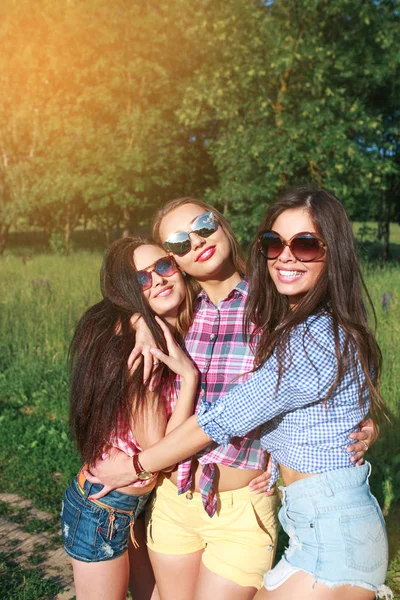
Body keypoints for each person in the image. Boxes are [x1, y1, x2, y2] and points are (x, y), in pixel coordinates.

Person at [85, 196, 375, 600]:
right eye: (180, 243)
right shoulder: (178, 310)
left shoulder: (276, 304)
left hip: (242, 507)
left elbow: (331, 371)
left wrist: (363, 423)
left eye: (203, 225)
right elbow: (117, 308)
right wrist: (139, 321)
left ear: (222, 224)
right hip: (175, 497)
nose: (197, 241)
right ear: (175, 260)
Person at [61, 237, 199, 600]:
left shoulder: (172, 331)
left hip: (140, 506)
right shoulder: (140, 349)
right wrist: (189, 381)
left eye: (164, 266)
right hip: (102, 509)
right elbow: (160, 448)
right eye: (142, 279)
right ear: (126, 290)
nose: (159, 280)